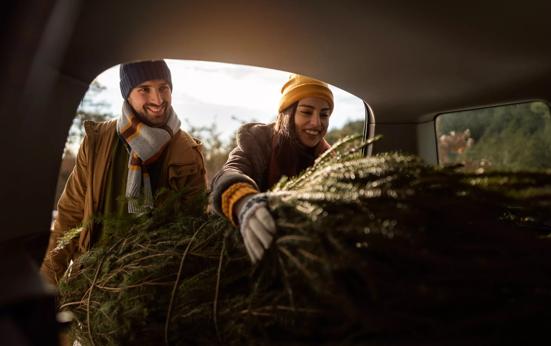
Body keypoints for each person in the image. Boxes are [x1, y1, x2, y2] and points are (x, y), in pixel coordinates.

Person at [41, 60, 207, 285]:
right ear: (127, 93)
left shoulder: (187, 151)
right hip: (92, 283)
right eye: (144, 89)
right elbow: (71, 214)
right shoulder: (97, 142)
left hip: (154, 286)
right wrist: (46, 283)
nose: (157, 100)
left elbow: (194, 229)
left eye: (163, 88)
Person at [211, 73, 333, 263]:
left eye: (324, 114)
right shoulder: (257, 141)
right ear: (288, 112)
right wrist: (243, 201)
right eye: (307, 112)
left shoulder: (331, 159)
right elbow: (229, 172)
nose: (317, 123)